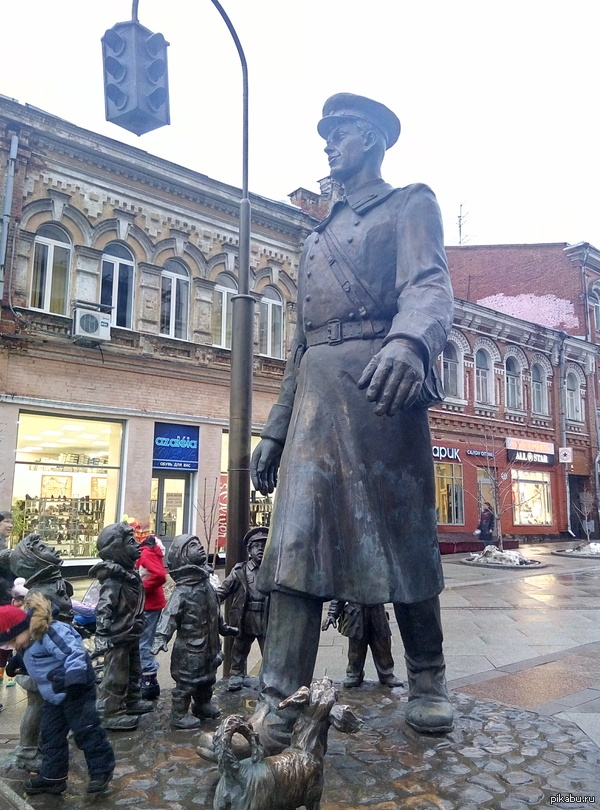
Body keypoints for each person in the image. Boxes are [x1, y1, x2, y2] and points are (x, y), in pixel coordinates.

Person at [250, 93, 455, 751]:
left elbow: (429, 285)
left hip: (381, 389)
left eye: (337, 135)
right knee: (295, 542)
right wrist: (276, 429)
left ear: (367, 139)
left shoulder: (408, 204)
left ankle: (427, 676)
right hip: (315, 395)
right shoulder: (316, 235)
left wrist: (411, 342)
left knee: (404, 536)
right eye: (327, 136)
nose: (328, 146)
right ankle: (279, 700)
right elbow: (300, 346)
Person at [0, 592, 115, 795]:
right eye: (7, 645)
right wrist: (18, 662)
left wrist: (75, 679)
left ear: (21, 629)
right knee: (50, 736)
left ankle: (101, 770)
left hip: (75, 690)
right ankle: (53, 777)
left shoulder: (49, 633)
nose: (12, 646)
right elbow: (39, 661)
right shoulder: (26, 642)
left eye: (12, 641)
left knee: (86, 730)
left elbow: (74, 653)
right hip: (53, 695)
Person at [151, 534, 237, 729]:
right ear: (183, 556)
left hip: (210, 644)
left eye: (198, 543)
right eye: (192, 546)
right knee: (187, 683)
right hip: (190, 649)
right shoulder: (182, 591)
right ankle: (178, 714)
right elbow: (169, 616)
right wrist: (161, 637)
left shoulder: (206, 584)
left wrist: (223, 628)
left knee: (207, 679)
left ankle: (202, 704)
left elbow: (214, 610)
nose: (199, 547)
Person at [91, 522, 154, 731]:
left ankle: (132, 701)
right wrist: (102, 633)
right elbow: (104, 609)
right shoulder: (113, 582)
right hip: (118, 636)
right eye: (130, 541)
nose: (137, 545)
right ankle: (111, 711)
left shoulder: (129, 575)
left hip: (131, 632)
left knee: (134, 670)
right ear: (117, 549)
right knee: (116, 675)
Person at [217, 527, 269, 691]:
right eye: (256, 546)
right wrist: (209, 602)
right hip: (244, 616)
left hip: (267, 616)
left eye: (264, 545)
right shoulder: (240, 570)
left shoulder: (273, 570)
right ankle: (236, 674)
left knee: (269, 649)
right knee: (239, 647)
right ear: (249, 550)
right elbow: (223, 590)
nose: (260, 549)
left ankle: (269, 676)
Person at [322, 601, 403, 689]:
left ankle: (386, 674)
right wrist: (332, 614)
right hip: (356, 612)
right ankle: (354, 674)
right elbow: (340, 592)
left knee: (382, 646)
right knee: (356, 649)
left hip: (377, 612)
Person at [136, 534, 167, 700]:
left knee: (144, 641)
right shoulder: (149, 552)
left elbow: (160, 575)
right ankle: (147, 677)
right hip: (151, 603)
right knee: (146, 640)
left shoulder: (145, 553)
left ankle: (148, 680)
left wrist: (141, 588)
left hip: (149, 604)